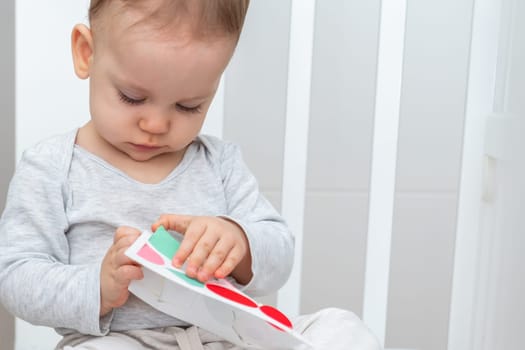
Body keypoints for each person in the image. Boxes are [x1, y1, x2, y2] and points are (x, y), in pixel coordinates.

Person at [0, 1, 380, 349]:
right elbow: (15, 276)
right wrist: (96, 287)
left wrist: (240, 241)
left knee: (342, 329)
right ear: (87, 53)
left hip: (228, 338)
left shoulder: (220, 164)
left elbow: (279, 254)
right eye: (132, 97)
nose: (156, 123)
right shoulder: (51, 167)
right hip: (121, 340)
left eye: (188, 106)